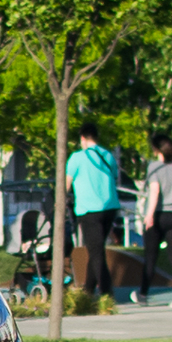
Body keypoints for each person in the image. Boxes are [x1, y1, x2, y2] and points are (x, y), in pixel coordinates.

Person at [65, 124, 121, 297]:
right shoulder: (108, 155)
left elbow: (66, 184)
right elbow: (115, 177)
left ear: (82, 138)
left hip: (88, 209)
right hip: (110, 207)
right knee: (95, 249)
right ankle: (88, 291)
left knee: (96, 252)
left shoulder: (77, 157)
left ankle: (106, 293)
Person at [136, 135, 172, 309]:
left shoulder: (154, 167)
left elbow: (154, 191)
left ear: (156, 149)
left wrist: (149, 215)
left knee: (151, 257)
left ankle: (143, 294)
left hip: (158, 214)